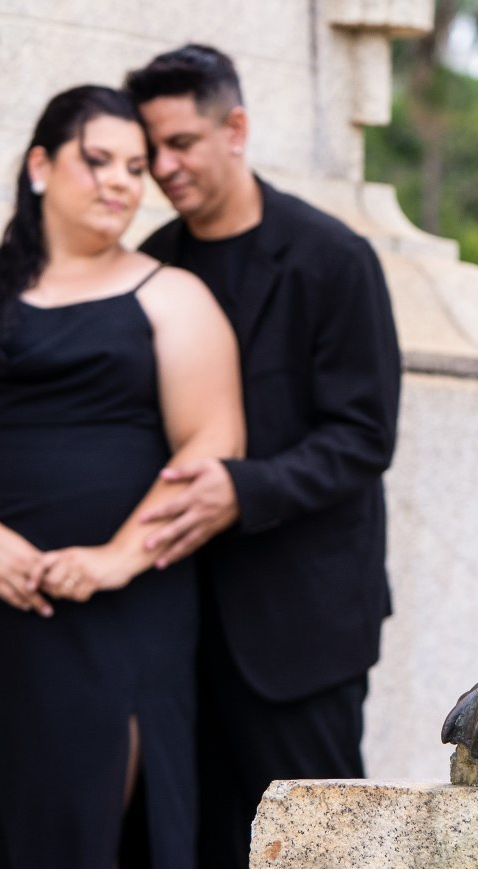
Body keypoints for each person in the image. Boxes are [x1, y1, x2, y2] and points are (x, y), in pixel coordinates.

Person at [0, 86, 245, 869]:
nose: (120, 181)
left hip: (121, 605)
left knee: (88, 830)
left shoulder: (172, 296)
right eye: (98, 159)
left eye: (135, 167)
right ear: (41, 166)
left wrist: (115, 559)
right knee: (11, 834)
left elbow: (213, 443)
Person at [122, 45, 401, 869]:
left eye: (181, 142)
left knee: (320, 849)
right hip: (174, 627)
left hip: (300, 630)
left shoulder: (334, 257)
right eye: (151, 149)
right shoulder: (150, 263)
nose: (164, 166)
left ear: (235, 128)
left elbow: (365, 436)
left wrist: (241, 490)